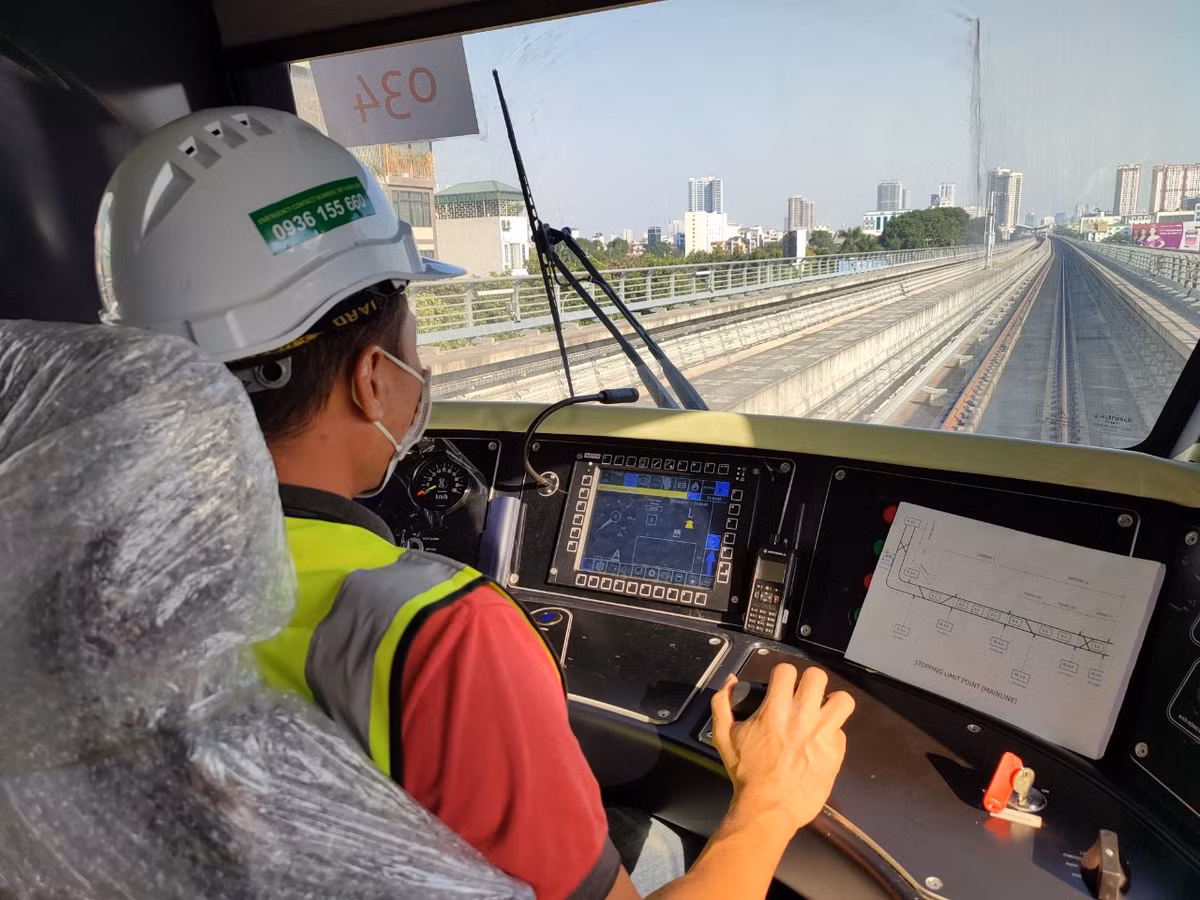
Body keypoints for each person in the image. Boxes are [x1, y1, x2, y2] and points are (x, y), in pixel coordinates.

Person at [96, 106, 855, 899]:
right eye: (414, 334)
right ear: (373, 376)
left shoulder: (107, 569)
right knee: (660, 846)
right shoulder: (443, 636)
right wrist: (769, 804)